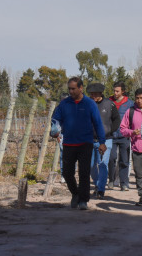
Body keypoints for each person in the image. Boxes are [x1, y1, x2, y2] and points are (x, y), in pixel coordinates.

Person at [51, 77, 106, 210]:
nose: (71, 91)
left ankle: (83, 200)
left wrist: (102, 142)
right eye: (69, 88)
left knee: (84, 173)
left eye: (73, 88)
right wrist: (55, 129)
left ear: (81, 88)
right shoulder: (64, 104)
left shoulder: (89, 104)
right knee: (67, 173)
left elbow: (98, 123)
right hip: (69, 143)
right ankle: (75, 193)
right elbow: (55, 119)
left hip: (85, 143)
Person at [87, 83, 120, 200]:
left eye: (95, 94)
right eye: (91, 94)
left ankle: (101, 189)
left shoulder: (109, 104)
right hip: (90, 140)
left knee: (103, 164)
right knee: (90, 165)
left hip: (106, 140)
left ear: (101, 93)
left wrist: (110, 131)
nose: (93, 96)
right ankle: (96, 183)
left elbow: (117, 119)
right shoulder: (87, 104)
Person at [108, 82, 134, 191]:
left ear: (123, 91)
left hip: (124, 136)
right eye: (114, 90)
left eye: (117, 91)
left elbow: (133, 118)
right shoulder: (108, 102)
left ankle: (124, 183)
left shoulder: (129, 103)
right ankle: (111, 180)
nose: (115, 93)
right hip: (111, 135)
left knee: (124, 160)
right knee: (111, 158)